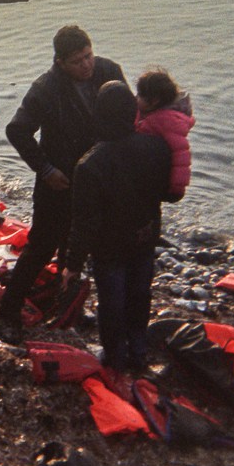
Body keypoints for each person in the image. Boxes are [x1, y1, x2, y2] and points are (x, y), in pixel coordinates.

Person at [0, 25, 126, 342]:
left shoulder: (108, 71)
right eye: (78, 61)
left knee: (79, 247)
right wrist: (45, 168)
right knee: (41, 246)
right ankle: (8, 314)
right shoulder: (46, 88)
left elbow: (126, 115)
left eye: (88, 55)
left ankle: (69, 307)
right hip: (60, 179)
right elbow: (17, 130)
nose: (87, 65)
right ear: (60, 62)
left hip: (97, 178)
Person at [65, 81, 171, 373]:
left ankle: (114, 357)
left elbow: (84, 222)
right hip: (145, 237)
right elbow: (168, 192)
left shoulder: (90, 164)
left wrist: (72, 264)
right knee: (140, 296)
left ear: (99, 115)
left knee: (112, 304)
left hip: (109, 247)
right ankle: (138, 352)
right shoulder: (157, 147)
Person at [134, 67, 194, 203]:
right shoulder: (147, 112)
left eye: (140, 96)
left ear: (154, 101)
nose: (136, 98)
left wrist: (177, 189)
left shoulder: (167, 121)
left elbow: (181, 155)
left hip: (157, 176)